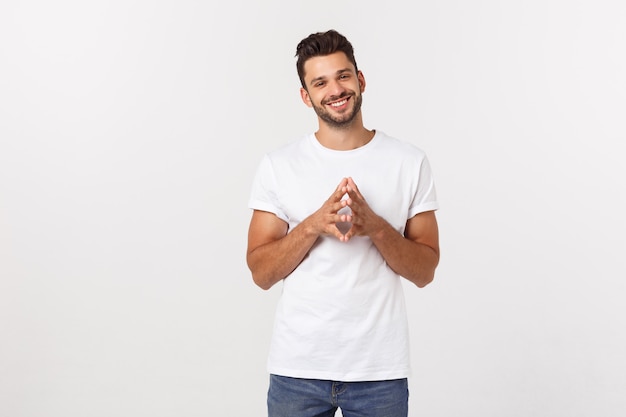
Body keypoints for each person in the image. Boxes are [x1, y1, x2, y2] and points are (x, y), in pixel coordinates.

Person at [246, 29, 440, 417]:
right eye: (320, 82)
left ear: (360, 79)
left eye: (343, 76)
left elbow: (425, 271)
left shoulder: (408, 162)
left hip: (379, 372)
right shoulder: (279, 166)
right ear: (306, 96)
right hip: (297, 370)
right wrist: (313, 225)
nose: (335, 89)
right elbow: (261, 273)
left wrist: (377, 227)